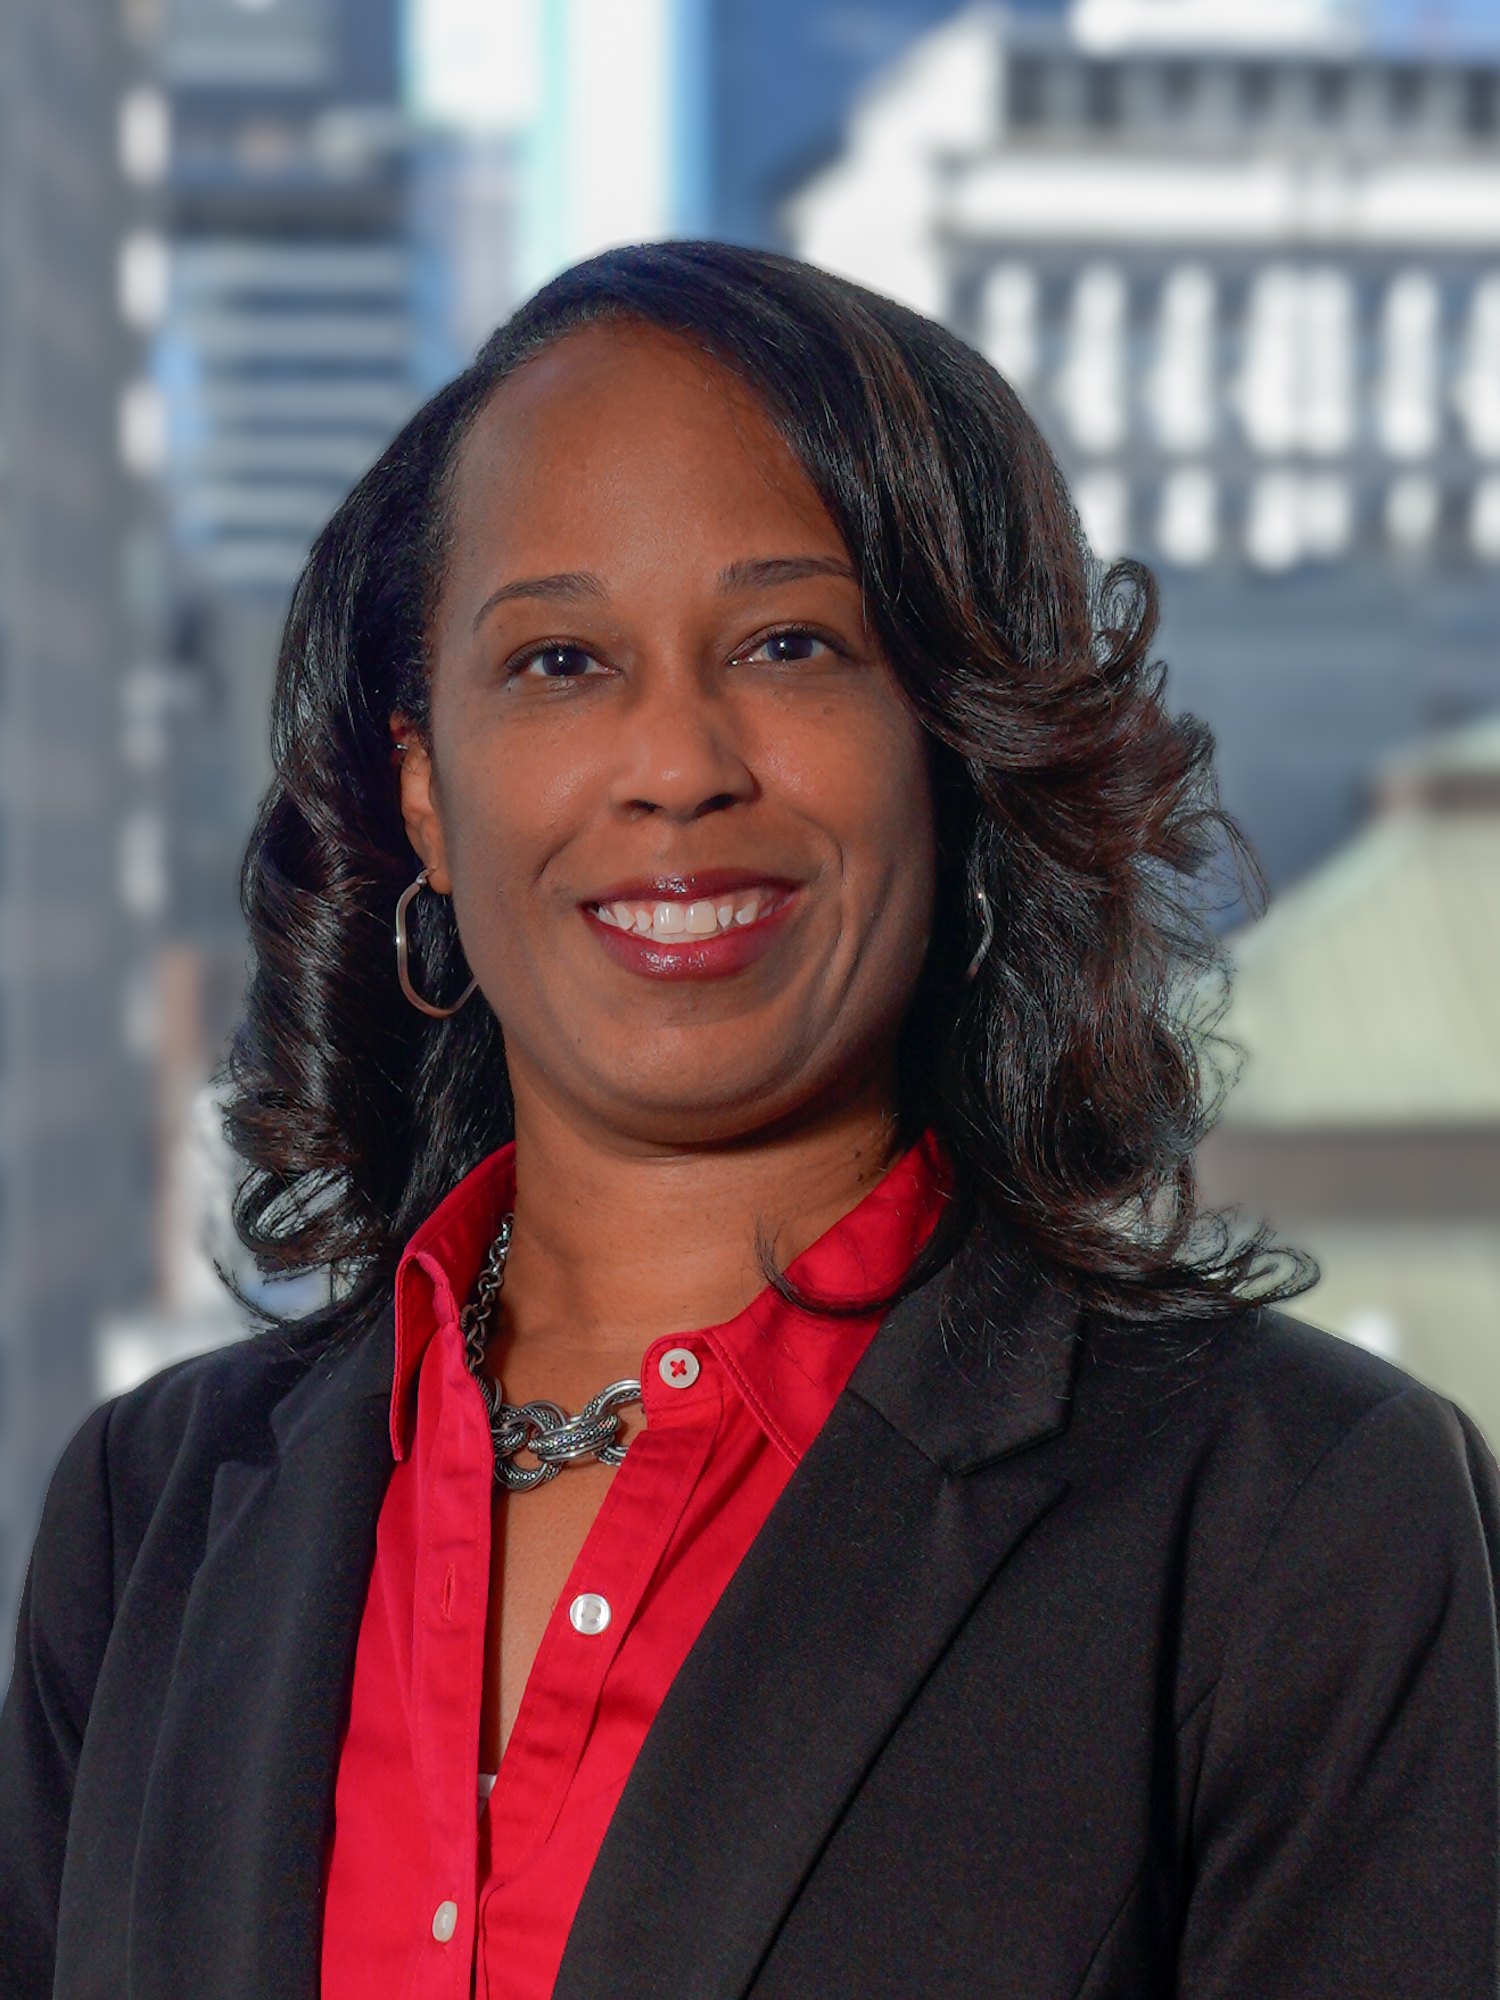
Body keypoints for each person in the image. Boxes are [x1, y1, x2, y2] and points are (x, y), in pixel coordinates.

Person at [1, 243, 1496, 2000]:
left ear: (954, 741)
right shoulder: (150, 1515)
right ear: (424, 785)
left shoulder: (1295, 1528)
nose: (677, 763)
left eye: (789, 643)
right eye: (559, 661)